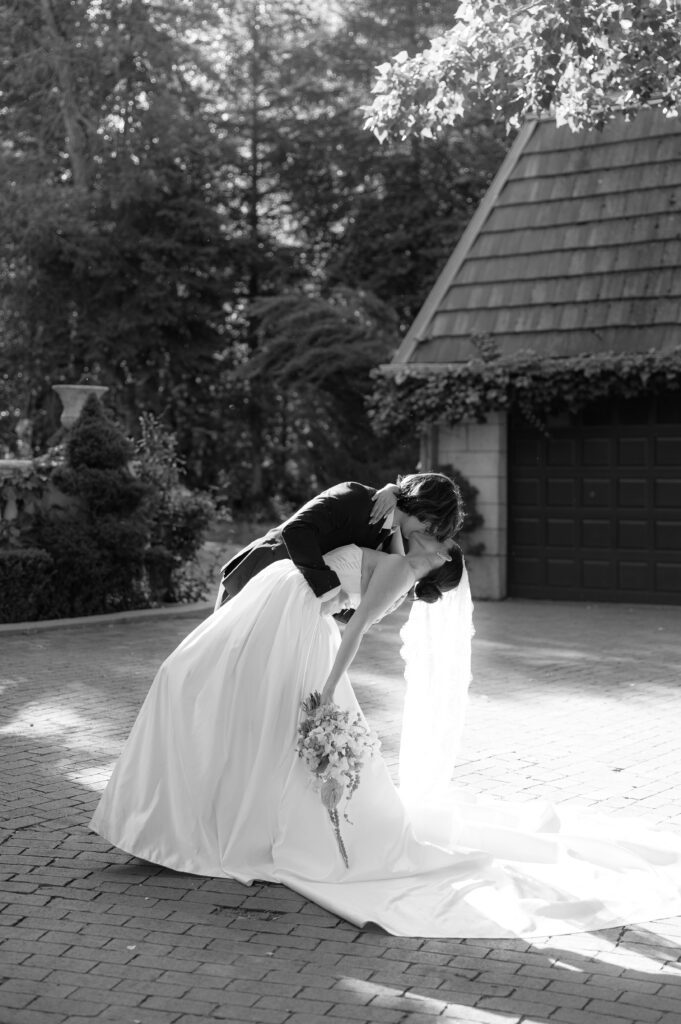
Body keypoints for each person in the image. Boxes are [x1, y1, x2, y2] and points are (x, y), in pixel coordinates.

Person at [91, 532, 681, 939]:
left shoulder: (399, 570)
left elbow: (353, 633)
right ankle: (187, 819)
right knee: (213, 696)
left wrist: (327, 688)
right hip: (286, 606)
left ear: (437, 562)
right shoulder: (393, 549)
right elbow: (344, 589)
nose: (433, 537)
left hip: (297, 620)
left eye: (440, 543)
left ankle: (200, 823)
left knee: (211, 694)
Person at [214, 473, 464, 611]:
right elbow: (296, 530)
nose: (430, 532)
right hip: (256, 577)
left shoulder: (389, 536)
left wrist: (362, 612)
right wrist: (331, 590)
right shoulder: (356, 496)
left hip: (284, 600)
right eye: (433, 524)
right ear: (425, 506)